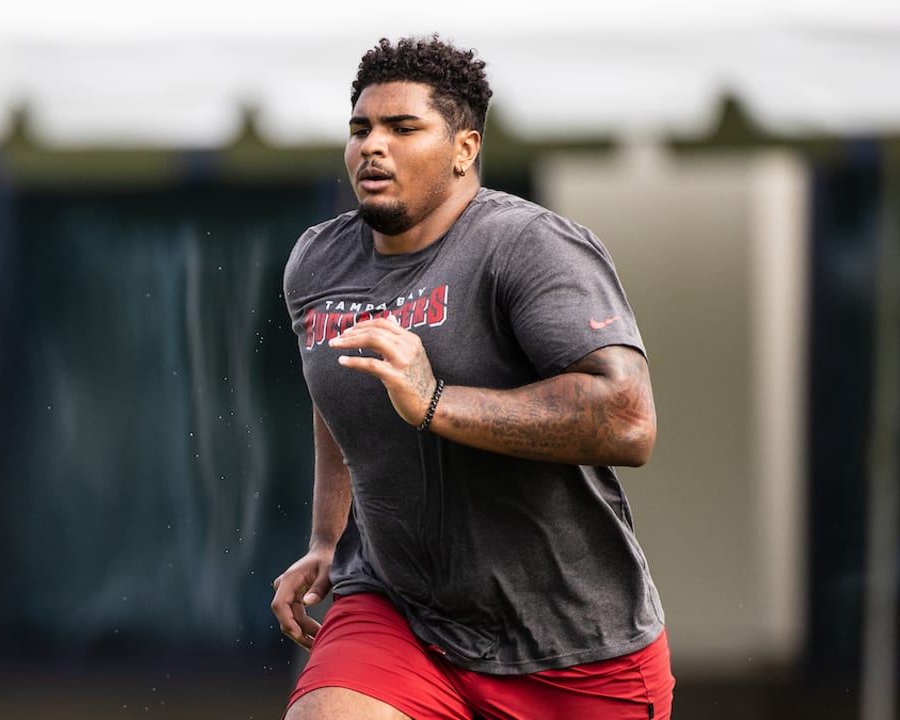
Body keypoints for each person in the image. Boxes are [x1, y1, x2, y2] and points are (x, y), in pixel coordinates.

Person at [269, 35, 674, 720]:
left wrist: (435, 402)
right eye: (360, 128)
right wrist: (327, 541)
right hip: (400, 611)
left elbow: (628, 419)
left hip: (572, 646)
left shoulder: (529, 247)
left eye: (403, 128)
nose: (373, 146)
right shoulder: (319, 263)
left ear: (465, 149)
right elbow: (335, 391)